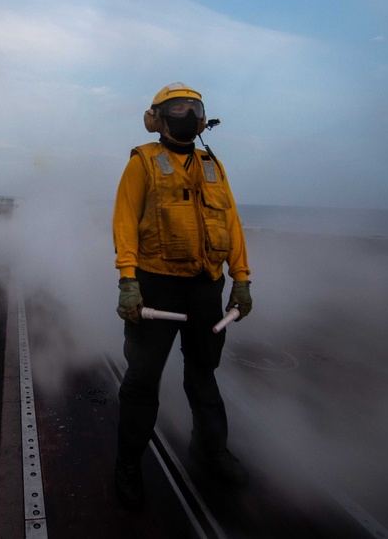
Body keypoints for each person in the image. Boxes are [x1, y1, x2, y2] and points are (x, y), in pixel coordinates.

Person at [112, 83, 253, 509]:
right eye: (178, 107)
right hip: (157, 287)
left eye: (195, 108)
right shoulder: (143, 163)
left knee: (203, 375)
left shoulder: (213, 165)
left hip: (206, 288)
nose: (188, 114)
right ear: (157, 118)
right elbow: (124, 222)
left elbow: (232, 223)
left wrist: (241, 278)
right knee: (141, 380)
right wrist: (128, 281)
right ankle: (128, 463)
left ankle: (209, 451)